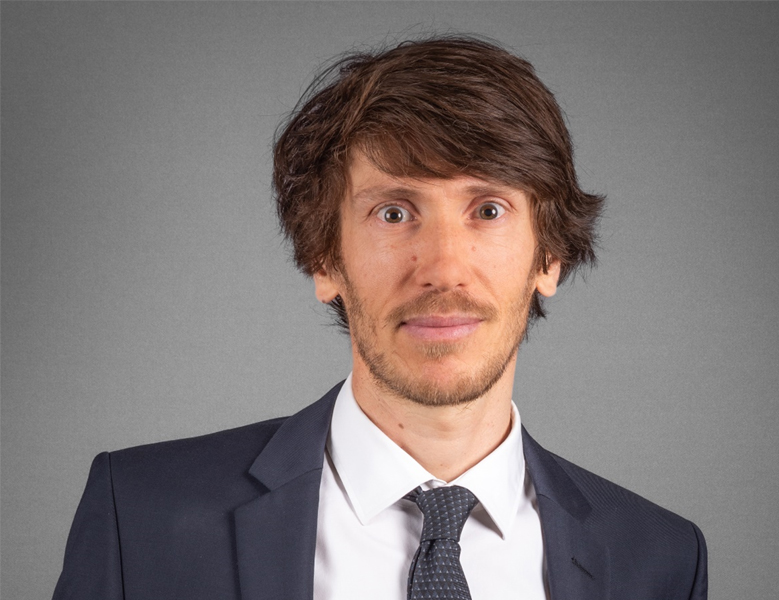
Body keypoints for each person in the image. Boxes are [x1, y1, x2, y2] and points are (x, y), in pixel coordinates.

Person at [53, 36, 707, 600]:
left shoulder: (660, 560)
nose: (444, 268)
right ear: (324, 259)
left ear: (550, 257)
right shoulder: (138, 515)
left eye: (488, 210)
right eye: (394, 213)